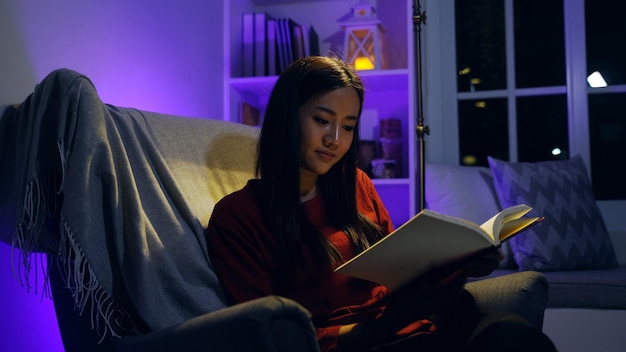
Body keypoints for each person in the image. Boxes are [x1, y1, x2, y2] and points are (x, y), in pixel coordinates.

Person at [205, 56, 556, 352]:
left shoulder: (356, 185)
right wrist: (388, 323)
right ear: (287, 117)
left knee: (516, 335)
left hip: (418, 326)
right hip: (364, 342)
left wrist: (464, 262)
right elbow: (265, 336)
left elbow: (402, 273)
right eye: (322, 121)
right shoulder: (239, 216)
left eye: (348, 126)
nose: (335, 140)